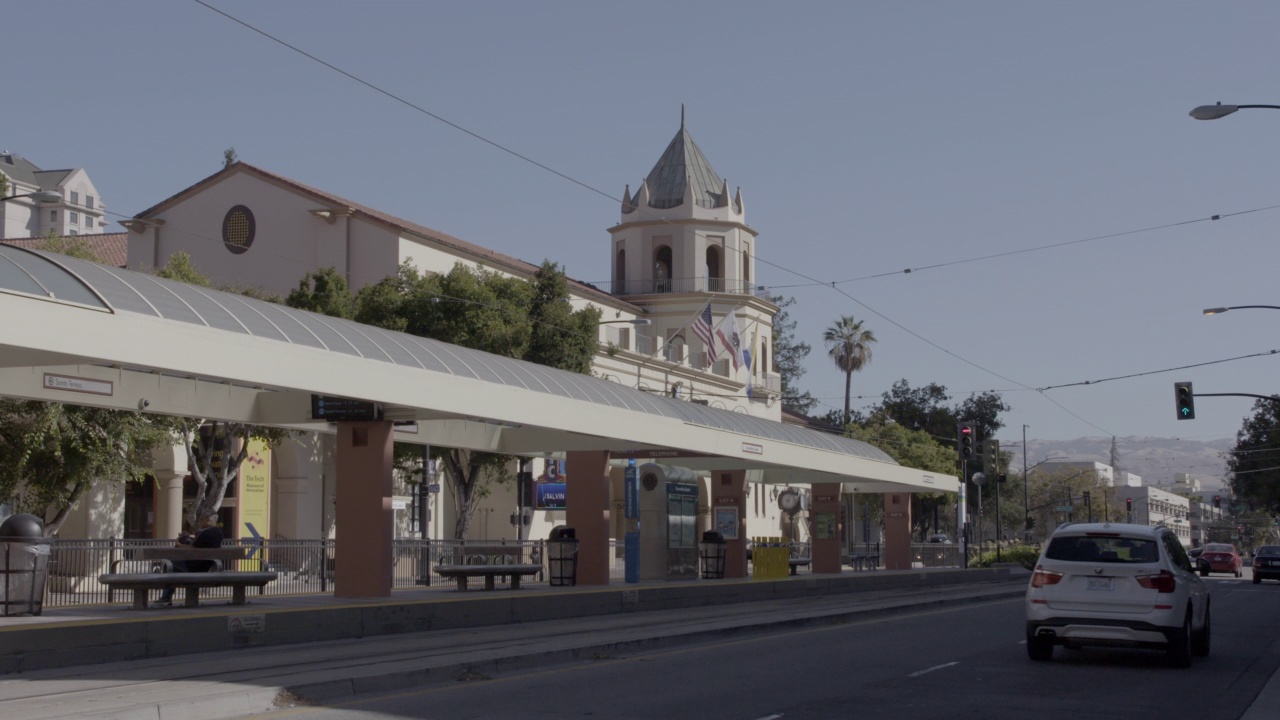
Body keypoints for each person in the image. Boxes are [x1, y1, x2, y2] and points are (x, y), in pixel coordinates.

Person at [156, 511, 224, 607]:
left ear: (208, 520)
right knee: (172, 567)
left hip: (193, 566)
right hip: (205, 566)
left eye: (201, 520)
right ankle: (166, 596)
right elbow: (199, 545)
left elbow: (193, 549)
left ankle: (166, 597)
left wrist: (179, 545)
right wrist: (189, 538)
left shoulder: (206, 533)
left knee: (169, 565)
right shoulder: (218, 533)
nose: (200, 522)